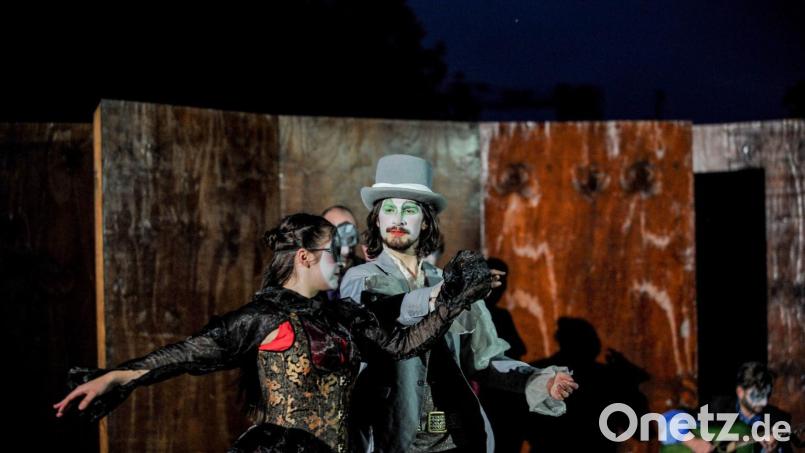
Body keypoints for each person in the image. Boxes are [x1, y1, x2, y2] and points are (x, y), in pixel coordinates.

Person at [54, 213, 498, 453]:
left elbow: (403, 345)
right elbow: (187, 355)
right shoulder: (263, 317)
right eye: (333, 253)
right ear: (305, 258)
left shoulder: (342, 314)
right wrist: (117, 376)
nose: (342, 262)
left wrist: (453, 299)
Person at [340, 154, 578, 452]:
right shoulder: (361, 279)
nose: (397, 219)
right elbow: (387, 318)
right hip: (392, 439)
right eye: (389, 209)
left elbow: (485, 359)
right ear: (377, 219)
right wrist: (442, 296)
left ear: (425, 222)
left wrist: (538, 381)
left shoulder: (447, 282)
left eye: (409, 210)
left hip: (454, 438)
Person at [661, 361, 800, 453]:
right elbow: (667, 420)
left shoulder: (778, 420)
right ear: (740, 392)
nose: (763, 402)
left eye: (767, 394)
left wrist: (772, 450)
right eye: (756, 396)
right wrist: (692, 442)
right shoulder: (718, 408)